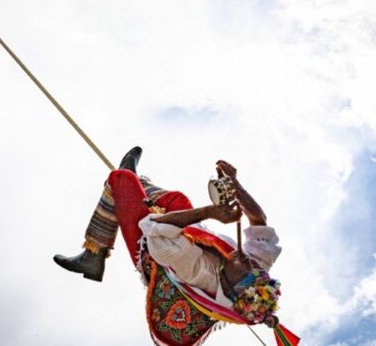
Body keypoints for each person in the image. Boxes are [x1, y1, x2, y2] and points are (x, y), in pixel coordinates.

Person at [54, 147, 287, 345]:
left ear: (229, 287)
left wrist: (210, 212)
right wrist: (236, 185)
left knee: (119, 181)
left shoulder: (198, 273)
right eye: (255, 269)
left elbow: (156, 230)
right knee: (179, 201)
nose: (249, 263)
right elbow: (259, 221)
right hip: (183, 238)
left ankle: (94, 253)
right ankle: (140, 185)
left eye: (245, 270)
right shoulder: (255, 273)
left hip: (152, 247)